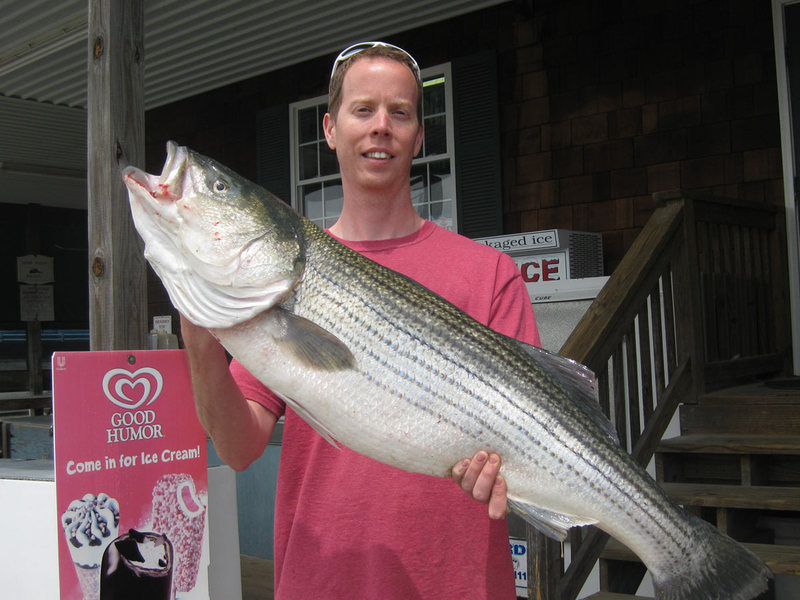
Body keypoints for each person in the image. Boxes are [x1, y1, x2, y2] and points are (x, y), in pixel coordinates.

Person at [180, 41, 540, 599]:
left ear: (420, 136)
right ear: (329, 128)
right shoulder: (283, 278)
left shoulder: (490, 273)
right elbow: (239, 445)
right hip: (321, 583)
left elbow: (531, 440)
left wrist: (505, 474)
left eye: (400, 113)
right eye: (363, 110)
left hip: (459, 584)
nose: (381, 128)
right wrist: (201, 348)